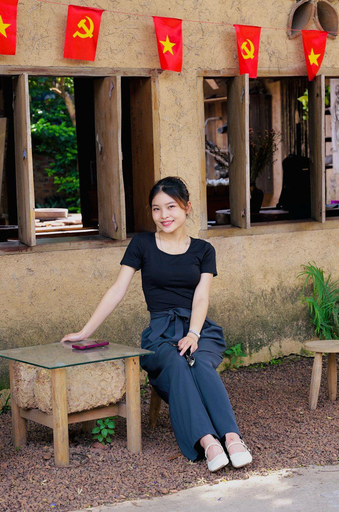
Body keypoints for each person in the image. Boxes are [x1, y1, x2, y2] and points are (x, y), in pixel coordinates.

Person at [62, 177, 251, 472]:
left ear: (187, 207)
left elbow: (201, 298)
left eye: (171, 207)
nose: (164, 215)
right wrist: (85, 331)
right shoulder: (142, 244)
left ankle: (233, 438)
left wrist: (193, 334)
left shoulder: (203, 250)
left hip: (199, 329)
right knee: (176, 364)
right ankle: (208, 443)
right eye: (156, 209)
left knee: (198, 363)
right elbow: (117, 289)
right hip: (160, 333)